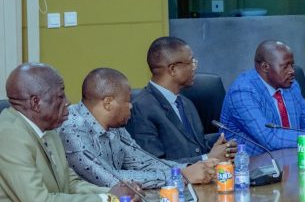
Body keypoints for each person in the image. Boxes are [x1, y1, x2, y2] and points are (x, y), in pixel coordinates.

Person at [0, 63, 137, 202]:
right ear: (36, 103)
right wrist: (108, 201)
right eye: (60, 96)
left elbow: (69, 183)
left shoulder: (48, 129)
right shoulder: (10, 135)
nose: (68, 102)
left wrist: (117, 194)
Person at [58, 68, 216, 189]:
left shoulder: (114, 126)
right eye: (128, 101)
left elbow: (144, 162)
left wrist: (189, 168)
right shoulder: (72, 128)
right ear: (108, 103)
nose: (131, 106)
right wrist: (180, 176)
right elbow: (109, 178)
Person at [126, 36, 235, 164]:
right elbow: (155, 165)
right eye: (191, 62)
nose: (194, 67)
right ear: (173, 69)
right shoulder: (141, 108)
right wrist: (207, 158)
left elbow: (196, 148)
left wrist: (217, 147)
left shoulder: (186, 103)